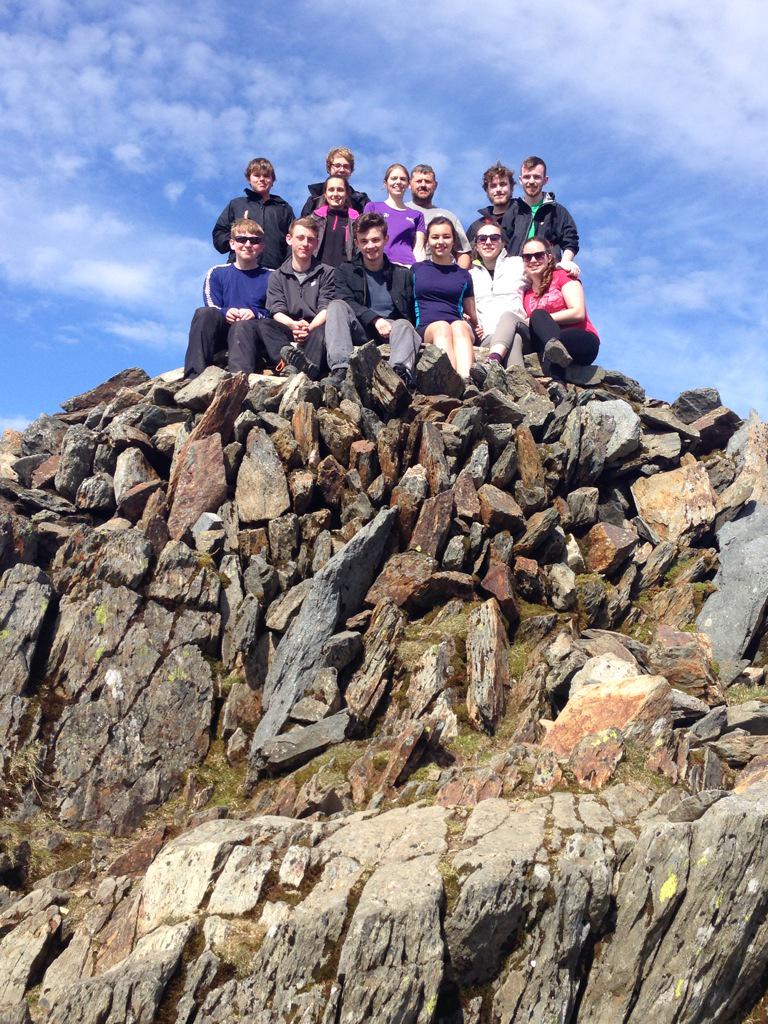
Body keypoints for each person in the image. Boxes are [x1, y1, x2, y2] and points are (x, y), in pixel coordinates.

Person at [325, 212, 421, 390]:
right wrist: (374, 319)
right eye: (364, 241)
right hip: (360, 326)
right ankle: (341, 370)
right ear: (357, 243)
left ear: (386, 239)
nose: (370, 246)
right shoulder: (344, 271)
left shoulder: (403, 274)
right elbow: (346, 300)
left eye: (375, 240)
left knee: (405, 324)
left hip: (393, 330)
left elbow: (413, 311)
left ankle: (396, 377)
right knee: (336, 306)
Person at [184, 219, 271, 378]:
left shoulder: (272, 276)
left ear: (262, 247)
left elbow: (275, 311)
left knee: (242, 326)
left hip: (254, 334)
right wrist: (225, 312)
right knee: (204, 313)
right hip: (222, 332)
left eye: (254, 240)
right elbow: (211, 305)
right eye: (241, 239)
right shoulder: (216, 273)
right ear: (232, 243)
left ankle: (238, 382)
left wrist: (254, 313)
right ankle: (193, 376)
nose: (247, 244)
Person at [254, 218, 335, 379]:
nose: (305, 243)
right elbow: (276, 309)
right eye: (300, 237)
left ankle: (307, 370)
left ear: (316, 243)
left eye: (310, 239)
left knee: (324, 330)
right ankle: (286, 363)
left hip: (315, 326)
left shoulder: (328, 272)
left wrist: (308, 328)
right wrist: (293, 326)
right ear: (289, 239)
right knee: (264, 324)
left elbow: (326, 307)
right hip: (288, 328)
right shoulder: (276, 276)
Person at [521, 238, 599, 374]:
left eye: (538, 255)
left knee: (538, 315)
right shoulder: (526, 294)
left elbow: (578, 313)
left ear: (549, 257)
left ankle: (554, 348)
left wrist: (541, 319)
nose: (533, 260)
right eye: (527, 257)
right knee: (545, 349)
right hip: (547, 346)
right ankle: (558, 385)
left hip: (580, 340)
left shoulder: (563, 276)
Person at [413, 217, 478, 381]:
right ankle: (449, 382)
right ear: (428, 240)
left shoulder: (463, 275)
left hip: (458, 327)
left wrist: (476, 325)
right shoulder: (416, 270)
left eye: (446, 236)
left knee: (459, 325)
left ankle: (465, 379)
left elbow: (472, 312)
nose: (440, 241)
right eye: (435, 237)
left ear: (454, 240)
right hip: (427, 328)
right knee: (442, 327)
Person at [212, 157, 295, 270]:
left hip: (274, 272)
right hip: (240, 270)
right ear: (249, 179)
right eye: (257, 175)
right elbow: (219, 236)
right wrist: (239, 240)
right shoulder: (236, 205)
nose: (262, 179)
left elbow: (293, 241)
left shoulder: (284, 209)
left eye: (266, 176)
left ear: (273, 180)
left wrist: (286, 269)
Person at [469, 220, 528, 371]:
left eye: (494, 238)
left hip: (520, 327)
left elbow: (544, 277)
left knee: (510, 320)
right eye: (482, 239)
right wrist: (471, 323)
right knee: (514, 340)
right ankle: (521, 388)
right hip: (488, 337)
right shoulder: (469, 275)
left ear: (503, 243)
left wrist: (564, 265)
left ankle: (493, 361)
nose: (488, 242)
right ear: (476, 245)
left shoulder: (519, 264)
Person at [502, 157, 579, 270]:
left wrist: (565, 263)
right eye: (527, 177)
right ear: (520, 180)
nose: (531, 181)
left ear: (545, 180)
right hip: (516, 273)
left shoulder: (557, 210)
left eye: (537, 177)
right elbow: (501, 242)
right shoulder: (513, 210)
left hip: (548, 272)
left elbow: (570, 239)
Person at [407, 164, 472, 269]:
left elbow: (463, 253)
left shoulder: (448, 217)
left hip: (438, 277)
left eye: (427, 181)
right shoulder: (400, 211)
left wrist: (458, 278)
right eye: (419, 181)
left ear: (435, 185)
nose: (423, 185)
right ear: (409, 184)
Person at [363, 164, 426, 267]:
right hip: (379, 265)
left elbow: (419, 248)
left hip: (407, 267)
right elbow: (365, 238)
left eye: (402, 179)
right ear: (385, 183)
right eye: (394, 178)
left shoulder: (417, 215)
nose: (398, 182)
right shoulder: (372, 207)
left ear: (408, 184)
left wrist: (421, 271)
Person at [300, 146, 371, 217]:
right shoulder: (315, 198)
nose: (342, 170)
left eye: (346, 166)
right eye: (337, 165)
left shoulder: (361, 200)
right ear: (329, 168)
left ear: (351, 170)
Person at [310, 177, 360, 268]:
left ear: (347, 194)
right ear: (325, 194)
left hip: (345, 275)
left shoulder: (356, 221)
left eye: (340, 190)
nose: (335, 194)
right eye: (331, 190)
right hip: (317, 275)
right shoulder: (314, 219)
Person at [467, 162, 515, 243]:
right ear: (487, 190)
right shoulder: (476, 227)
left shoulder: (524, 216)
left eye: (502, 184)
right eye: (493, 186)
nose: (498, 189)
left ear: (511, 187)